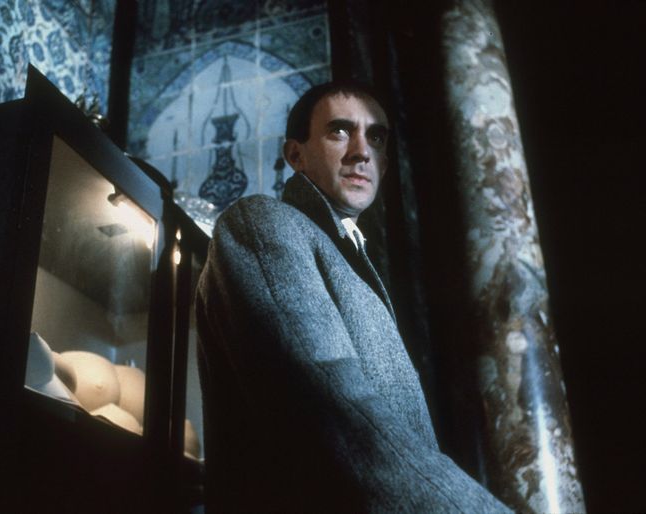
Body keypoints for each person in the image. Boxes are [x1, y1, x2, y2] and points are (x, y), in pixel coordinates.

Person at [195, 82, 511, 513]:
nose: (361, 152)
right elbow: (334, 410)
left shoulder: (351, 258)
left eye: (376, 137)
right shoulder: (262, 222)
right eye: (339, 131)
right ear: (295, 155)